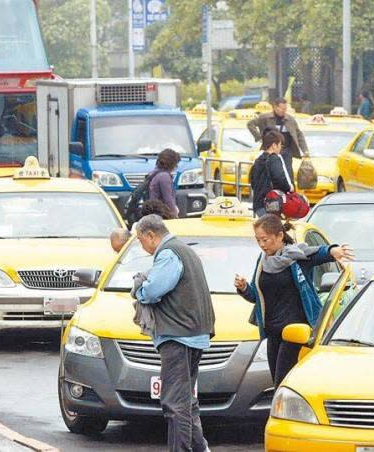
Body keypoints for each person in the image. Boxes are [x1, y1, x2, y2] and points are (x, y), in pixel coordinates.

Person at [234, 214, 352, 386]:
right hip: (273, 333)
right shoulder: (262, 262)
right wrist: (244, 288)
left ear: (280, 236)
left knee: (284, 382)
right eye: (258, 240)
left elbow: (318, 253)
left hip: (296, 333)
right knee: (277, 383)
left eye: (265, 239)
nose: (261, 245)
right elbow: (256, 297)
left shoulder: (297, 257)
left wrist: (333, 250)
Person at [131, 215, 214, 452]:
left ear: (151, 235)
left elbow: (154, 289)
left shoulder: (168, 253)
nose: (141, 245)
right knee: (187, 401)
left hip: (178, 336)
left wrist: (140, 289)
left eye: (140, 239)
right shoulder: (185, 250)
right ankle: (201, 449)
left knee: (175, 403)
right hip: (194, 335)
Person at [247, 98, 310, 184]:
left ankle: (288, 192)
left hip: (286, 151)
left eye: (285, 109)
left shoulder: (290, 120)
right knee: (271, 172)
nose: (283, 111)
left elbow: (299, 135)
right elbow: (250, 124)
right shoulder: (265, 118)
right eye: (281, 108)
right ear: (275, 107)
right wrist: (259, 138)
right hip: (271, 151)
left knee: (287, 173)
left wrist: (305, 150)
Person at [249, 131, 293, 217]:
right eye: (280, 145)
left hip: (258, 204)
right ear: (274, 145)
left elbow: (252, 181)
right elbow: (280, 178)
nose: (280, 148)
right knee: (273, 228)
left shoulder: (258, 160)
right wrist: (289, 188)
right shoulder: (274, 159)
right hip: (271, 204)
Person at [148, 149, 181, 219]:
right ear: (172, 163)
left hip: (154, 214)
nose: (176, 167)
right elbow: (168, 199)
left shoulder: (155, 173)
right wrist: (175, 216)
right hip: (160, 215)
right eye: (176, 164)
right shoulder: (164, 177)